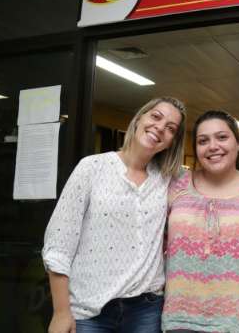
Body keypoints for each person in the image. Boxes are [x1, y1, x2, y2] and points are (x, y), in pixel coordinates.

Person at [42, 96, 187, 333]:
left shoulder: (168, 179)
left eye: (171, 128)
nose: (160, 128)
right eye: (156, 116)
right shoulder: (91, 167)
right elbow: (59, 243)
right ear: (140, 118)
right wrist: (60, 312)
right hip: (90, 311)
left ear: (172, 141)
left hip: (146, 309)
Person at [162, 110, 239, 333]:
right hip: (180, 318)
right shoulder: (176, 184)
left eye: (222, 137)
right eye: (203, 141)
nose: (213, 146)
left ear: (238, 144)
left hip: (236, 320)